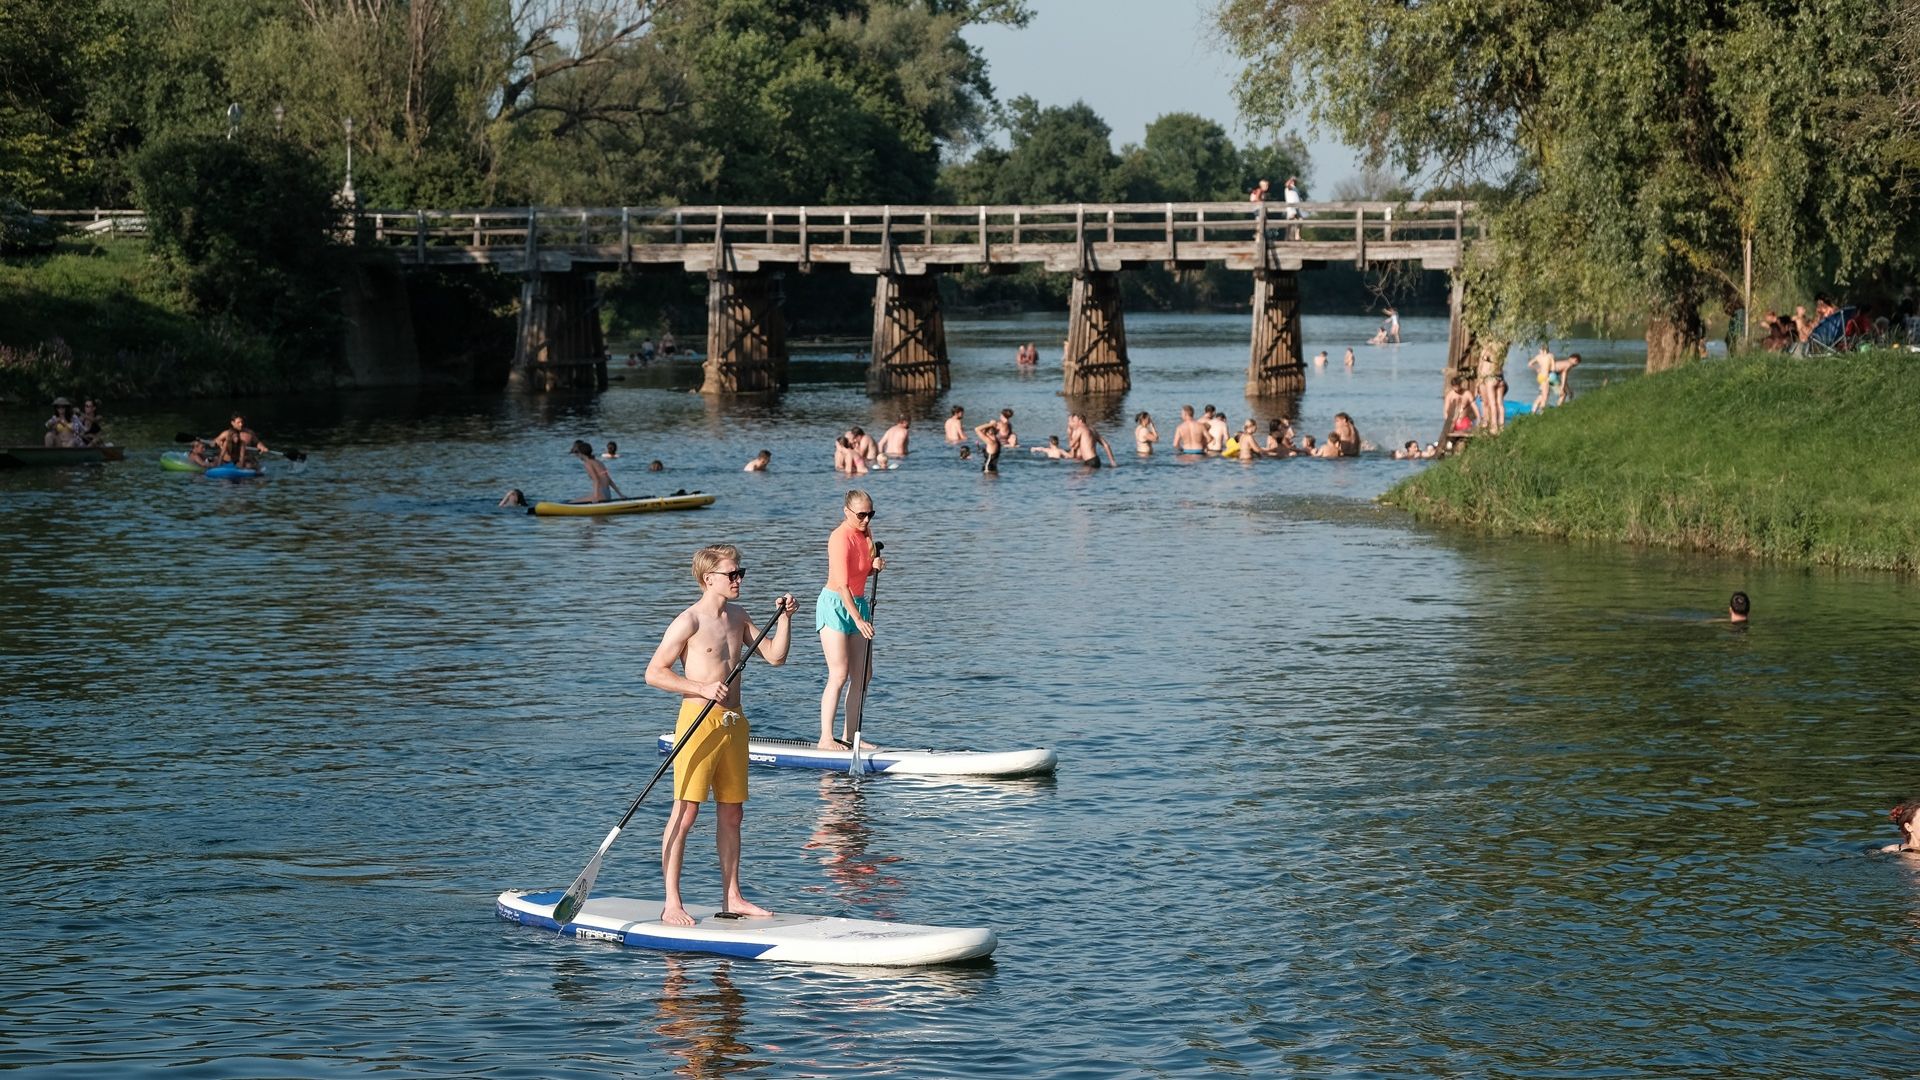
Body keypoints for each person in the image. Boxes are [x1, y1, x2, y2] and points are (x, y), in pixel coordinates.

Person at [645, 544, 796, 926]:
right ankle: (671, 902)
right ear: (708, 578)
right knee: (686, 812)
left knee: (732, 813)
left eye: (740, 572)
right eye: (732, 574)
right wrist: (700, 687)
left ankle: (733, 896)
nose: (738, 579)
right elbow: (654, 673)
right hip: (698, 724)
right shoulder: (688, 621)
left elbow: (775, 657)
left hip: (734, 724)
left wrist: (785, 619)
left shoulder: (739, 616)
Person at [817, 491, 883, 750]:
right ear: (847, 512)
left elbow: (860, 572)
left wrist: (874, 567)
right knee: (839, 673)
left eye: (870, 514)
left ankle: (850, 736)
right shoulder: (839, 538)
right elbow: (843, 585)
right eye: (861, 515)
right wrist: (857, 620)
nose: (866, 520)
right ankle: (825, 738)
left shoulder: (866, 533)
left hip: (858, 603)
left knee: (863, 674)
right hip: (835, 605)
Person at [1527, 346, 1556, 413]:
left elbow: (1529, 364)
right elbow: (1553, 368)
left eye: (1539, 350)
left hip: (1540, 377)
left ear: (1543, 350)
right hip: (1546, 377)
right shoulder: (1550, 356)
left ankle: (1533, 411)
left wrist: (1537, 368)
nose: (1539, 351)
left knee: (1541, 395)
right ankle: (1541, 413)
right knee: (1545, 396)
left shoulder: (1538, 357)